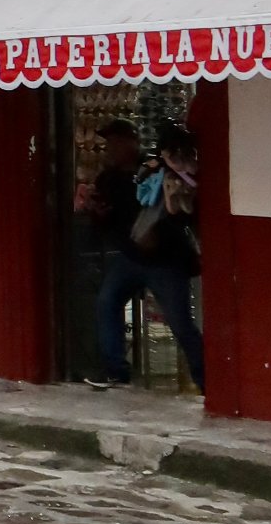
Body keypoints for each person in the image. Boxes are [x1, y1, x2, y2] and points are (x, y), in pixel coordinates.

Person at [87, 119, 207, 393]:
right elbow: (105, 223)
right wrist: (98, 213)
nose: (110, 149)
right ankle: (116, 372)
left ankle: (207, 381)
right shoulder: (108, 179)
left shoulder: (157, 169)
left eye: (116, 142)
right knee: (107, 301)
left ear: (132, 142)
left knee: (179, 323)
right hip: (132, 257)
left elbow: (183, 213)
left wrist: (160, 232)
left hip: (166, 261)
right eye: (109, 143)